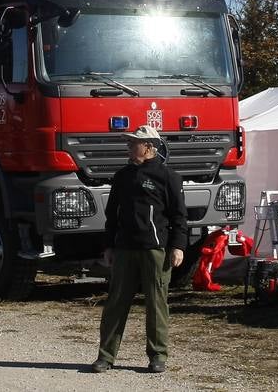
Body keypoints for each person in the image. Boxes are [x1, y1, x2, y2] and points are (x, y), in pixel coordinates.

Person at [91, 125, 187, 375]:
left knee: (156, 305)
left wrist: (178, 246)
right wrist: (109, 245)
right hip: (124, 249)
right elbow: (112, 214)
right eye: (129, 142)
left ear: (149, 147)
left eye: (134, 142)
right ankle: (105, 356)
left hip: (155, 249)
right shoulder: (122, 176)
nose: (129, 146)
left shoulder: (168, 177)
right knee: (115, 303)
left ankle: (157, 356)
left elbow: (179, 217)